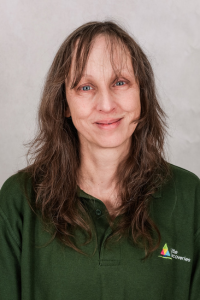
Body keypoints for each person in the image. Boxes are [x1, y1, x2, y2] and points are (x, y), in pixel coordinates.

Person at [0, 21, 199, 300]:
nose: (106, 104)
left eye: (120, 82)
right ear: (64, 104)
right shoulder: (17, 200)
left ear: (142, 93)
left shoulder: (190, 196)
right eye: (85, 87)